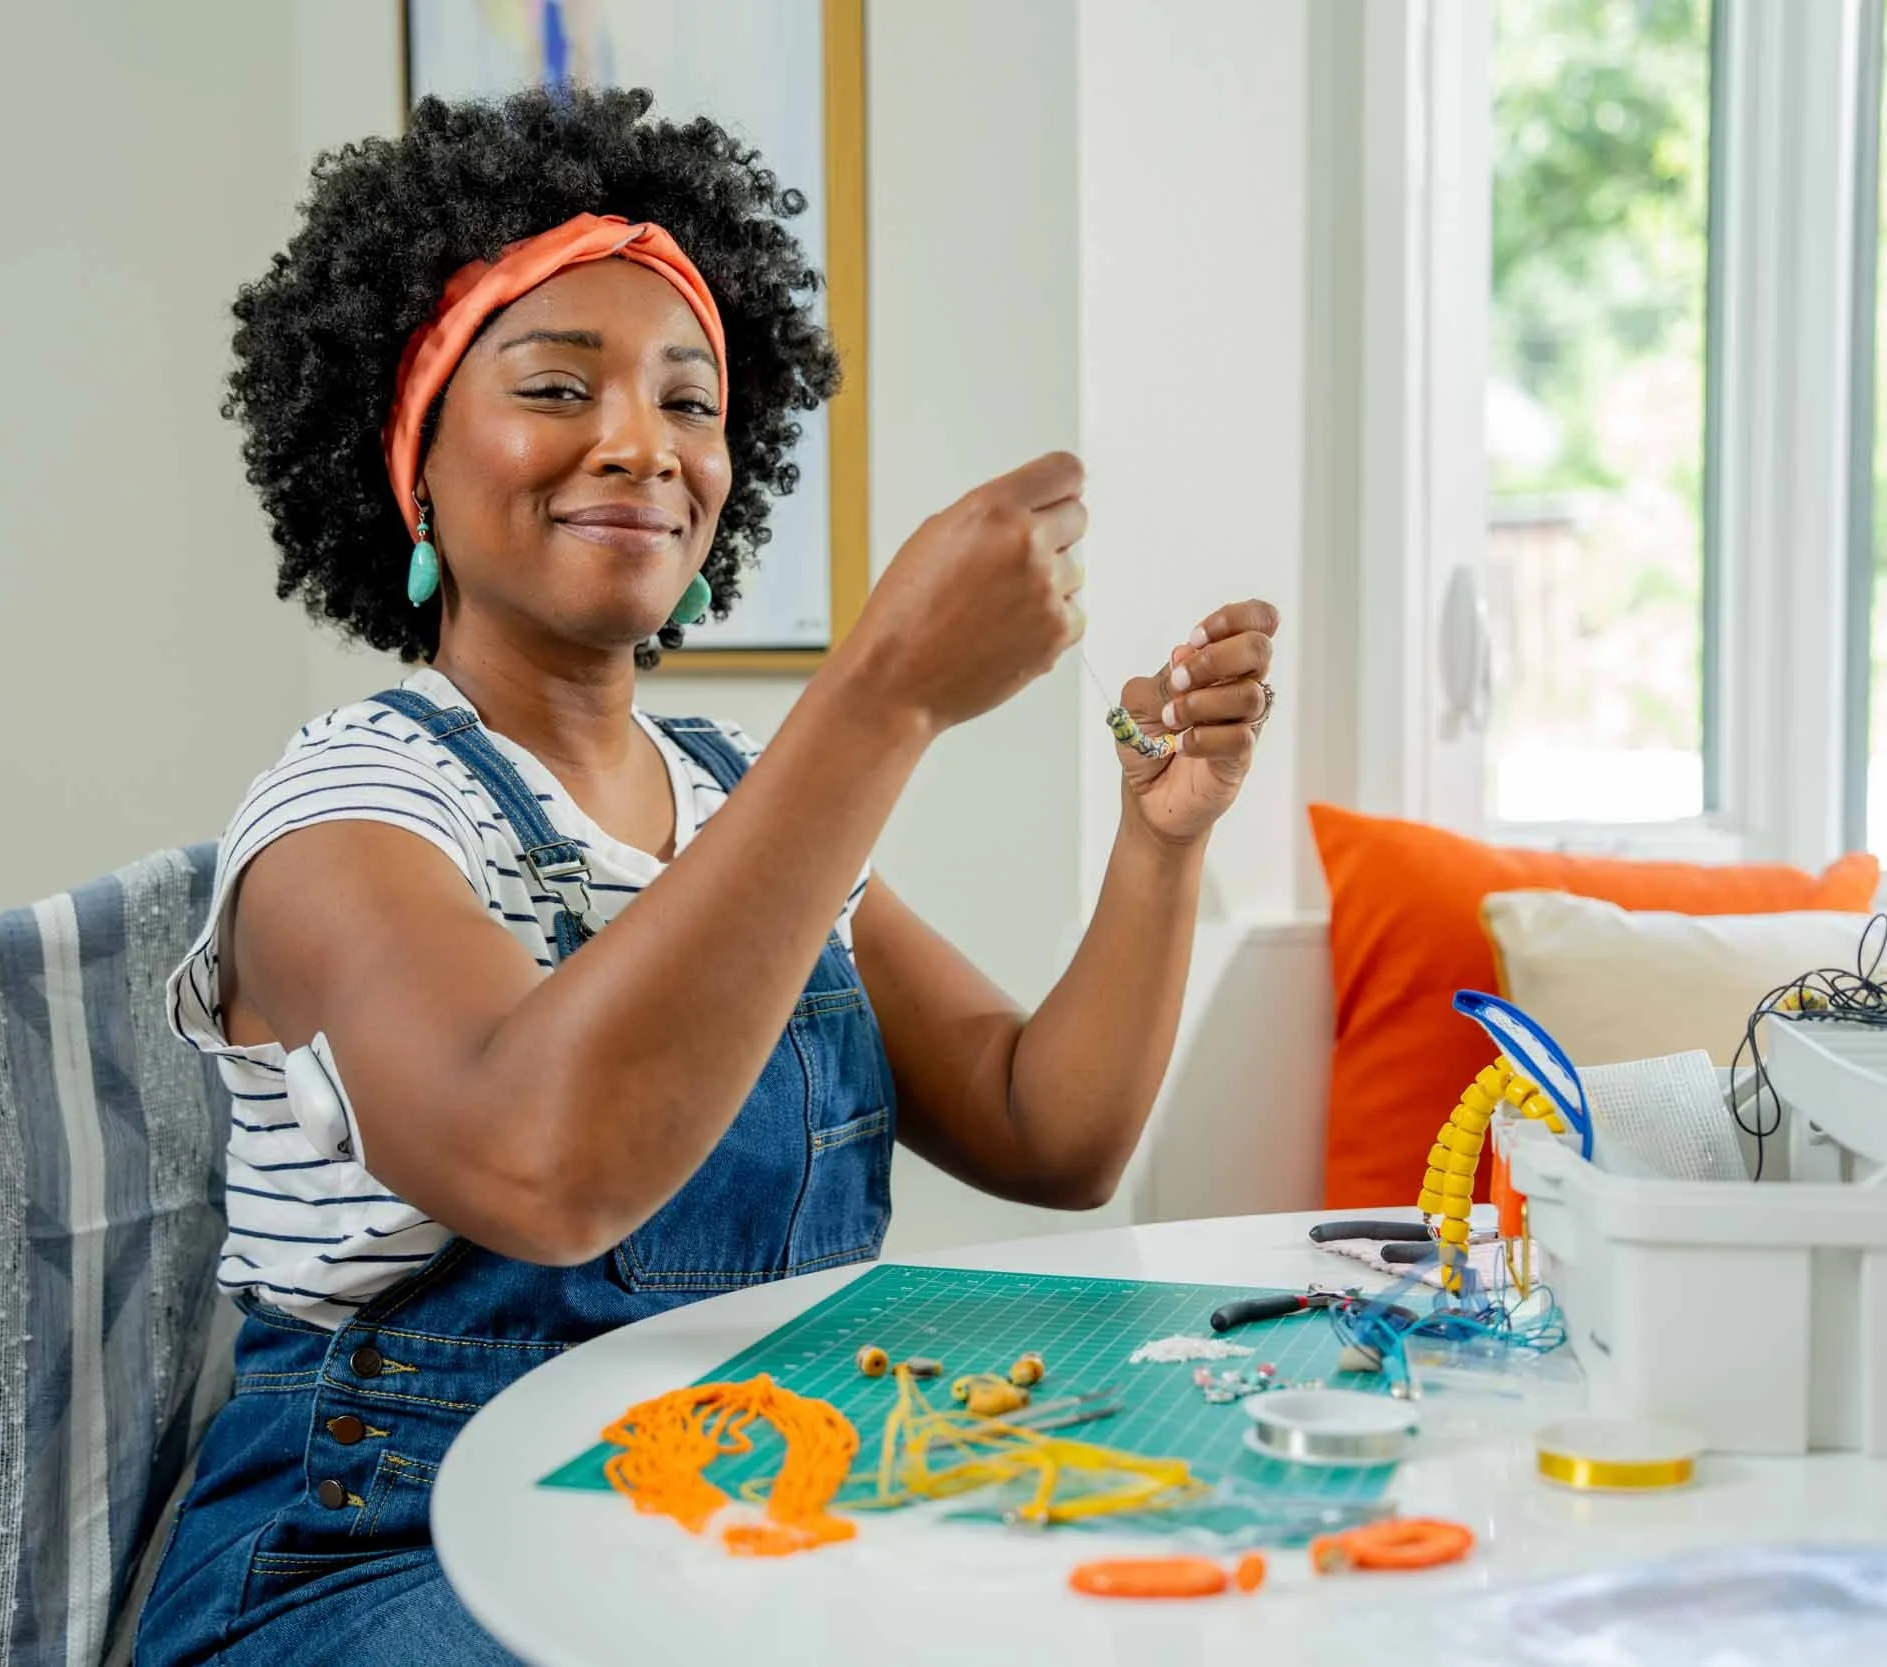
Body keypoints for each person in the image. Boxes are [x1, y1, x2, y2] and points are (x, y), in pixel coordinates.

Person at [135, 86, 1280, 1666]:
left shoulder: (735, 797)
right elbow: (547, 1168)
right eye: (557, 387)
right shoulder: (348, 816)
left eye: (691, 401)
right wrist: (884, 694)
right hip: (372, 1559)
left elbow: (1051, 1127)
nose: (641, 444)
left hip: (725, 1520)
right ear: (411, 468)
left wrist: (1162, 841)